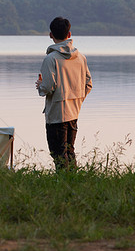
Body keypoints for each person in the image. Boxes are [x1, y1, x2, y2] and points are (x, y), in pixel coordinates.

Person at [35, 17, 92, 170]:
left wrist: (40, 86)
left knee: (58, 155)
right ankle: (74, 183)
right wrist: (77, 100)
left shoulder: (50, 59)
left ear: (50, 35)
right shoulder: (81, 57)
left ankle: (65, 187)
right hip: (74, 113)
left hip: (56, 116)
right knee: (69, 152)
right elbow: (88, 84)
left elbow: (47, 86)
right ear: (69, 34)